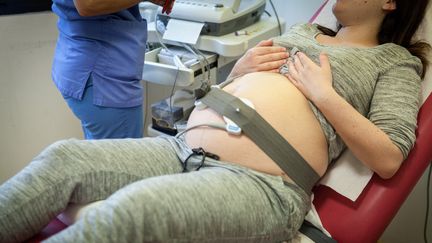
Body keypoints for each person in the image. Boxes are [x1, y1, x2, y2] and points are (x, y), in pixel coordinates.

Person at [0, 0, 430, 242]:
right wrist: (240, 69)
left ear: (389, 1)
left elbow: (389, 157)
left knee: (136, 212)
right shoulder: (302, 32)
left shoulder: (392, 61)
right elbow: (242, 89)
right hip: (183, 149)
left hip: (259, 183)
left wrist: (325, 94)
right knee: (64, 158)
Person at [51, 0, 174, 139]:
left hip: (82, 60)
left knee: (99, 155)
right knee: (123, 158)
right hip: (101, 76)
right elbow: (88, 4)